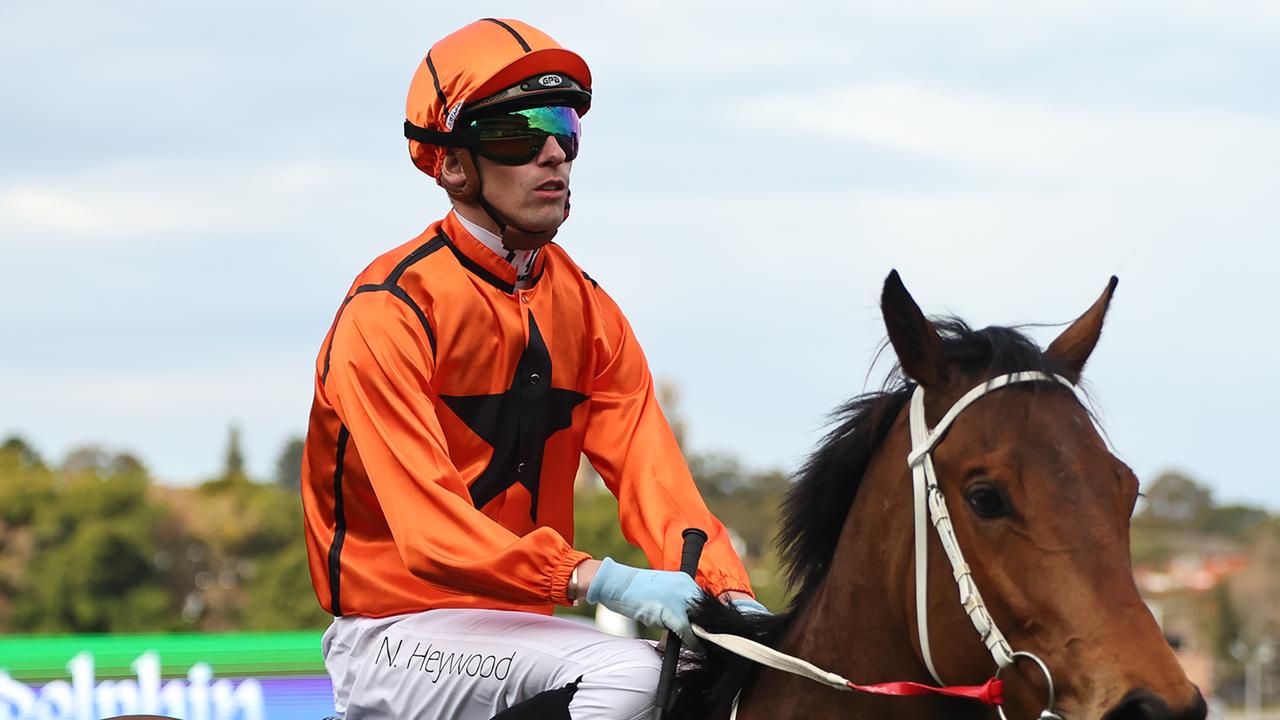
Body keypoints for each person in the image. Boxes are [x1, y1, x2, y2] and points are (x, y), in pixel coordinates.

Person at [300, 18, 765, 720]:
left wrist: (733, 597)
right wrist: (597, 579)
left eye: (564, 127)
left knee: (726, 673)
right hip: (393, 638)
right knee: (633, 677)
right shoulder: (388, 312)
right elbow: (430, 533)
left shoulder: (588, 309)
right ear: (453, 165)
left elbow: (659, 487)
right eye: (519, 134)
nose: (553, 153)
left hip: (520, 633)